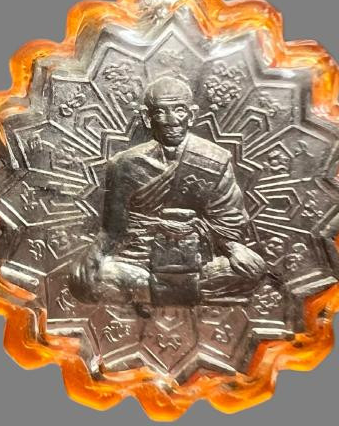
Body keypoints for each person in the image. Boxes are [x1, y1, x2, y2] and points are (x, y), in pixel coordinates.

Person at [72, 76, 266, 305]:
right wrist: (93, 255)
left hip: (197, 257)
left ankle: (147, 295)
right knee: (87, 279)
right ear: (147, 118)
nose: (171, 121)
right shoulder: (125, 164)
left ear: (191, 115)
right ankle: (183, 293)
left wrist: (233, 248)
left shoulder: (214, 159)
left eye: (179, 110)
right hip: (140, 258)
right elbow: (112, 230)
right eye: (160, 112)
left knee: (253, 271)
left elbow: (229, 222)